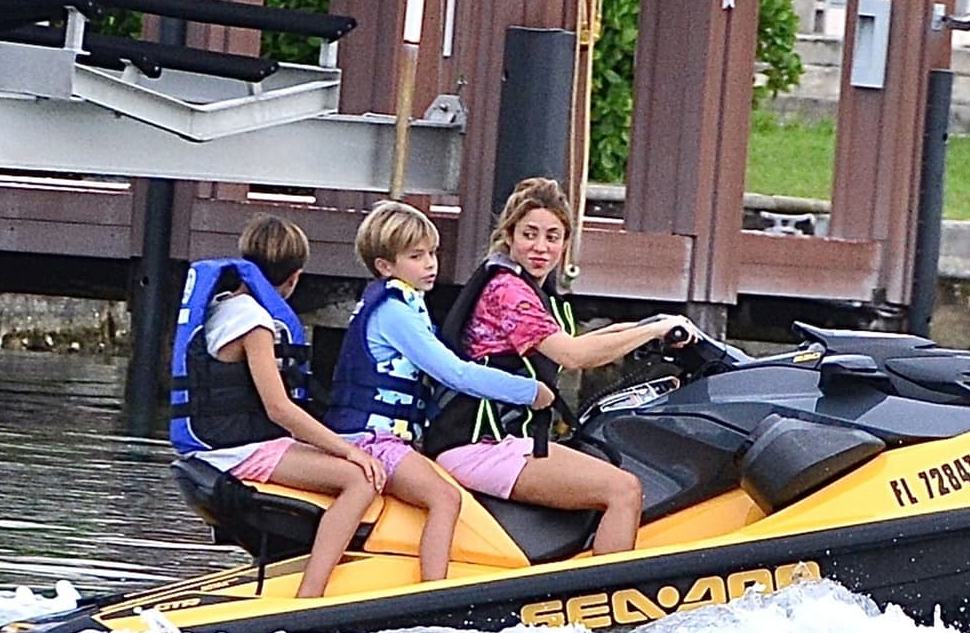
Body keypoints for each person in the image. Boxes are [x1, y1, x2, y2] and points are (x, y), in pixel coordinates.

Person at [423, 177, 695, 555]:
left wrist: (653, 324)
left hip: (509, 441)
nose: (541, 247)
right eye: (529, 234)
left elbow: (584, 341)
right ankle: (609, 589)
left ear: (565, 244)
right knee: (624, 490)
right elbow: (573, 355)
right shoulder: (507, 291)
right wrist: (652, 332)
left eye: (553, 237)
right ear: (509, 236)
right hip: (478, 445)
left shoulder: (533, 290)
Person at [324, 200, 555, 581]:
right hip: (372, 439)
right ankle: (434, 592)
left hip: (387, 437)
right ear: (385, 266)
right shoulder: (394, 313)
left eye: (432, 253)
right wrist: (528, 391)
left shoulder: (407, 304)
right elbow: (454, 373)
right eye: (416, 256)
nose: (431, 264)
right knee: (445, 497)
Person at [169, 214, 387, 598]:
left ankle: (293, 568)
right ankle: (311, 594)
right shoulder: (255, 323)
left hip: (223, 444)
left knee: (339, 458)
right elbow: (279, 409)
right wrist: (349, 451)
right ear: (294, 277)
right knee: (360, 479)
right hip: (237, 451)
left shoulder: (221, 306)